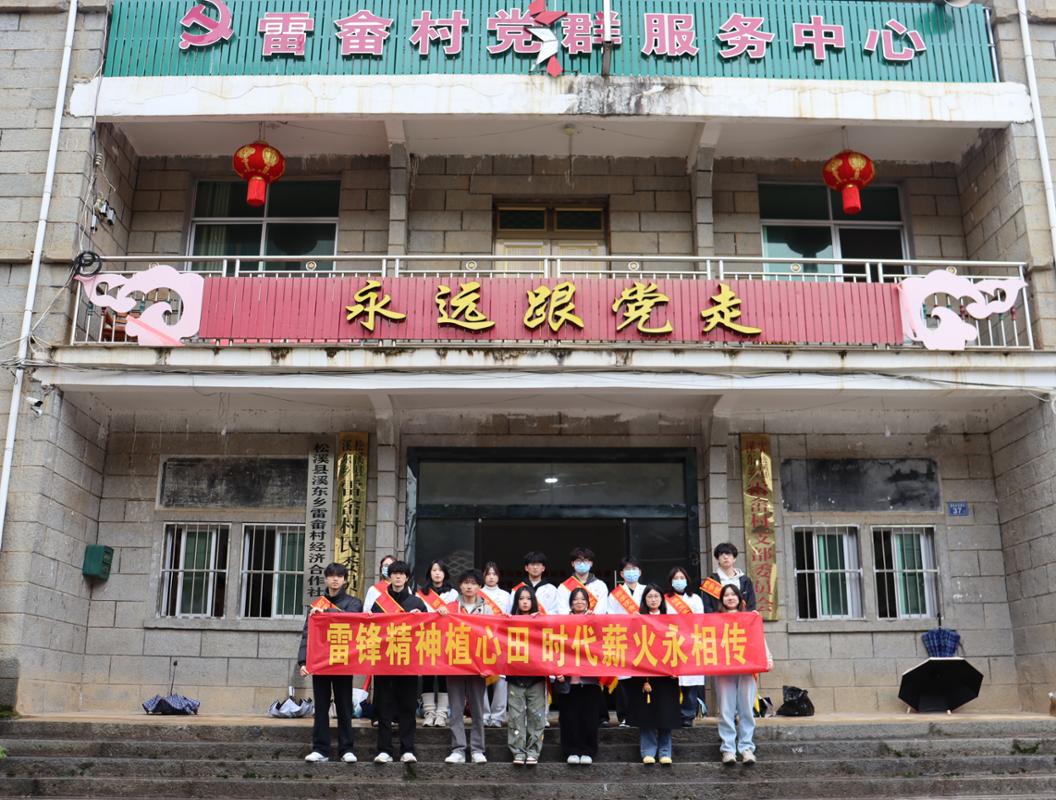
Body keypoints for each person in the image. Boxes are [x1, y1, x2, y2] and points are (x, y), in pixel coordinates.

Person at [297, 562, 363, 764]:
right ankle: (320, 749)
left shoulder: (353, 602)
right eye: (332, 576)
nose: (335, 579)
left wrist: (326, 613)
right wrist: (303, 661)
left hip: (343, 661)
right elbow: (307, 634)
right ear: (325, 579)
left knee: (344, 706)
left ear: (344, 580)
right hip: (321, 662)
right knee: (321, 706)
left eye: (339, 576)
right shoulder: (316, 605)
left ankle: (347, 749)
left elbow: (352, 620)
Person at [368, 560, 427, 764]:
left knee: (408, 706)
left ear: (407, 577)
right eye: (394, 573)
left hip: (408, 661)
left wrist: (421, 618)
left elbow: (428, 630)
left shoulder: (417, 603)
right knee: (384, 706)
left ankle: (407, 749)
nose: (398, 577)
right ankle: (384, 749)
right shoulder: (379, 603)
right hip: (384, 661)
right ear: (389, 576)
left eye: (402, 573)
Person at [713, 583, 772, 765]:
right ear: (721, 599)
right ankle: (728, 749)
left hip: (747, 668)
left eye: (733, 594)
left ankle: (746, 748)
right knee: (726, 710)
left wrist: (768, 657)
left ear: (739, 598)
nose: (730, 598)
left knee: (746, 709)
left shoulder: (750, 618)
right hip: (724, 669)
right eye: (726, 595)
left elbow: (759, 639)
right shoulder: (715, 620)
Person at [625, 584, 680, 765]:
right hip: (644, 674)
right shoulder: (637, 619)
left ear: (662, 599)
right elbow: (631, 645)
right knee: (646, 714)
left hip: (666, 674)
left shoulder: (670, 620)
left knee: (666, 713)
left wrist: (676, 669)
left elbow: (679, 645)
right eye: (649, 597)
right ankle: (648, 751)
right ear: (644, 600)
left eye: (656, 596)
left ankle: (665, 751)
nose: (653, 599)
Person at [444, 568, 494, 764]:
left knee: (477, 709)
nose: (469, 587)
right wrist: (440, 615)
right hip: (455, 664)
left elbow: (493, 638)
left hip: (477, 666)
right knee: (456, 709)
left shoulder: (487, 610)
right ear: (460, 585)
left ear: (480, 586)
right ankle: (458, 749)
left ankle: (477, 749)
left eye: (473, 583)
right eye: (466, 583)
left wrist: (487, 665)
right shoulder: (450, 607)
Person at [555, 586, 601, 765]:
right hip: (568, 680)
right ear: (570, 603)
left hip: (590, 680)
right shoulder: (562, 623)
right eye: (575, 599)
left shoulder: (596, 621)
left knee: (589, 718)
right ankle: (571, 751)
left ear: (588, 603)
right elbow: (555, 648)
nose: (579, 602)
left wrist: (593, 621)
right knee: (569, 718)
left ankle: (588, 750)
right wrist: (556, 670)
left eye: (583, 599)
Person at [505, 585, 546, 765]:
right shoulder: (508, 621)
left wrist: (541, 621)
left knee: (537, 716)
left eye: (529, 599)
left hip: (536, 677)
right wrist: (504, 622)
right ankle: (518, 752)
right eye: (521, 599)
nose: (525, 602)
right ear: (516, 602)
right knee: (515, 716)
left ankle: (533, 752)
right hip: (515, 677)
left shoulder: (542, 621)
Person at [416, 559, 457, 727]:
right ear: (429, 573)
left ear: (445, 573)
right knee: (427, 675)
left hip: (446, 639)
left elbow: (456, 614)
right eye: (434, 570)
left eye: (440, 570)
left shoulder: (453, 593)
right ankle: (429, 712)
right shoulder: (420, 594)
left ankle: (441, 713)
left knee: (443, 676)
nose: (437, 573)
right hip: (427, 638)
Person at [606, 556, 645, 727]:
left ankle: (641, 714)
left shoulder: (647, 590)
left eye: (634, 569)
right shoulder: (615, 594)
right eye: (627, 570)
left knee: (641, 678)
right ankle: (624, 716)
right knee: (623, 679)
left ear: (640, 572)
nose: (631, 572)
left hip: (643, 639)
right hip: (622, 638)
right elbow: (610, 616)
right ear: (621, 573)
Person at [665, 566, 706, 726]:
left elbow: (700, 621)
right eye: (676, 578)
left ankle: (688, 715)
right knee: (672, 682)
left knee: (690, 682)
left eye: (682, 578)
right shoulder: (665, 599)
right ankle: (673, 713)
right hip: (671, 644)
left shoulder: (695, 599)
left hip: (690, 643)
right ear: (670, 581)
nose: (679, 581)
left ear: (687, 580)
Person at [480, 562, 510, 728]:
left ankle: (498, 716)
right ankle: (484, 715)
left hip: (501, 641)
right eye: (488, 574)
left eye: (494, 574)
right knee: (481, 677)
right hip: (482, 640)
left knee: (501, 678)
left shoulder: (506, 595)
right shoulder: (478, 593)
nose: (491, 577)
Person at [701, 543, 757, 613]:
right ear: (717, 559)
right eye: (721, 555)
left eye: (729, 554)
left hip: (742, 618)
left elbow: (751, 604)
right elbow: (707, 607)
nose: (725, 557)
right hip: (718, 618)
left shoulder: (745, 581)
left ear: (734, 558)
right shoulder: (710, 582)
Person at [555, 546, 609, 615]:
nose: (582, 564)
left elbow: (601, 609)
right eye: (578, 561)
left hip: (593, 621)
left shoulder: (601, 585)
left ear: (591, 563)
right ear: (572, 563)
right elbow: (562, 610)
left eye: (586, 561)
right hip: (571, 621)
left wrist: (591, 616)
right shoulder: (563, 587)